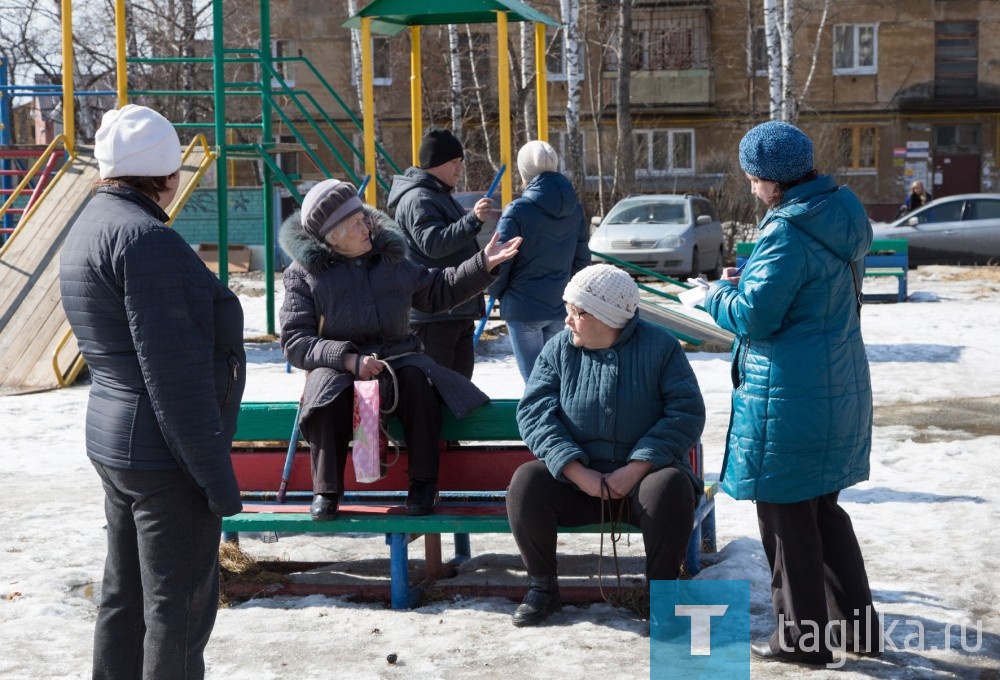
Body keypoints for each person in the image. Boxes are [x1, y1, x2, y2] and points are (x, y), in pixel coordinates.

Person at [59, 104, 246, 679]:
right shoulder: (147, 240)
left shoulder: (92, 223)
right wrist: (215, 478)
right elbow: (176, 374)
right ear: (168, 176)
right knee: (177, 613)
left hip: (117, 443)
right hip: (166, 453)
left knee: (125, 597)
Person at [703, 121, 879, 664]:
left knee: (786, 523)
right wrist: (749, 279)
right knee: (823, 512)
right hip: (835, 389)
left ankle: (802, 643)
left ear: (774, 182)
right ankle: (856, 632)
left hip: (789, 397)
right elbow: (804, 293)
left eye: (754, 179)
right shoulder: (839, 213)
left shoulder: (787, 230)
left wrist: (711, 297)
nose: (752, 189)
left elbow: (756, 317)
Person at [279, 179, 521, 520]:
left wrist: (483, 263)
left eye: (363, 218)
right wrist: (347, 359)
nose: (367, 226)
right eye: (357, 224)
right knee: (326, 394)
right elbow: (294, 341)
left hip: (396, 357)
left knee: (419, 381)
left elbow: (439, 290)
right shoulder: (303, 275)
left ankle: (423, 485)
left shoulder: (389, 261)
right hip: (339, 365)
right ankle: (327, 491)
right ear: (333, 236)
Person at [506, 264, 706, 627]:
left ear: (608, 317)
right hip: (577, 486)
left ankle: (663, 597)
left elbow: (686, 413)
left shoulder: (661, 348)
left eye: (577, 312)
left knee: (671, 487)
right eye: (567, 309)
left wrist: (638, 466)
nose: (567, 320)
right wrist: (575, 470)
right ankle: (542, 589)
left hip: (644, 484)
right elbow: (534, 413)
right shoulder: (558, 350)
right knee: (526, 482)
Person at [386, 128, 493, 378]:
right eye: (454, 162)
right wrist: (473, 220)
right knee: (439, 393)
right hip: (433, 315)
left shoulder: (438, 195)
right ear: (436, 163)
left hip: (453, 309)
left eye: (460, 162)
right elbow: (432, 244)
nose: (459, 168)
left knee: (459, 392)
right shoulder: (418, 198)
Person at [487, 140, 591, 382]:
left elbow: (502, 261)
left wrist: (495, 292)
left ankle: (541, 420)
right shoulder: (575, 210)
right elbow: (582, 259)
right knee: (555, 381)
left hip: (523, 306)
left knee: (535, 385)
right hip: (559, 306)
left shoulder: (518, 210)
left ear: (524, 172)